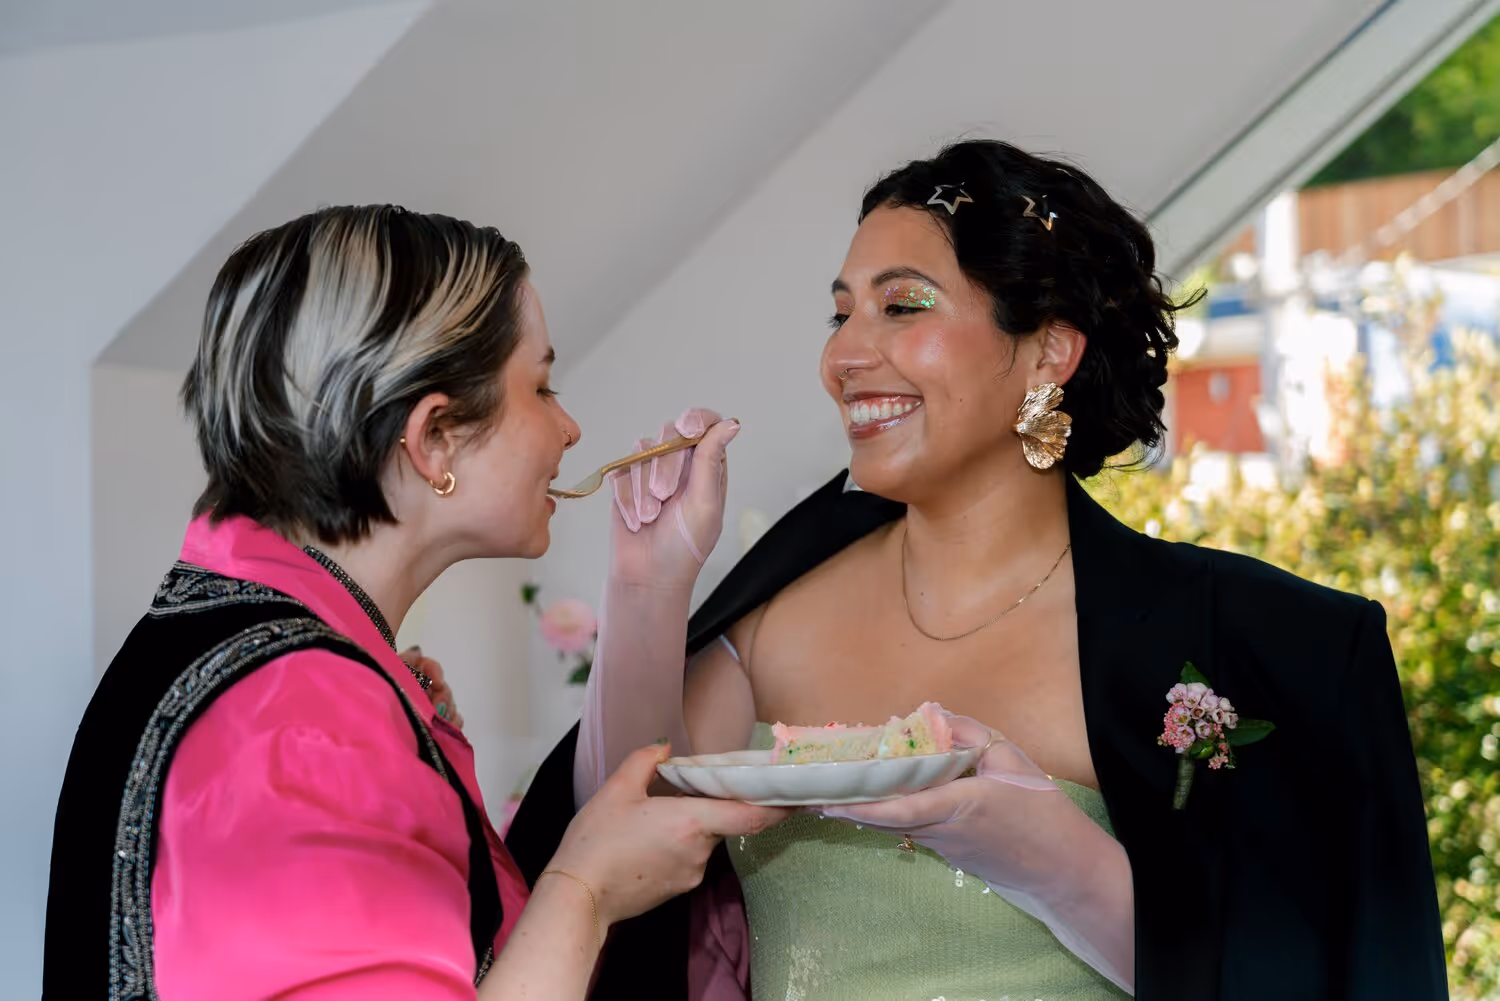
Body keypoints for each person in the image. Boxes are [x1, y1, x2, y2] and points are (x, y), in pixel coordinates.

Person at [507, 141, 1448, 1000]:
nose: (842, 356)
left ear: (1048, 351)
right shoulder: (777, 614)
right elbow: (624, 848)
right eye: (841, 312)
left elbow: (1314, 976)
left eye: (901, 305)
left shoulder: (1261, 647)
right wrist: (648, 583)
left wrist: (1057, 862)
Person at [42, 205, 783, 1000]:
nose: (569, 428)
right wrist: (584, 891)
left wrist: (647, 581)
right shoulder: (305, 723)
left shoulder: (246, 641)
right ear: (433, 439)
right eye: (541, 386)